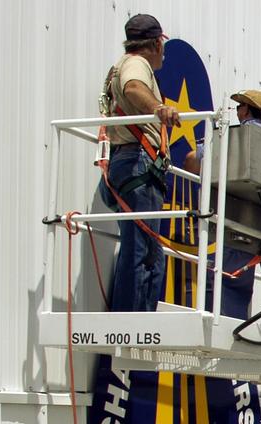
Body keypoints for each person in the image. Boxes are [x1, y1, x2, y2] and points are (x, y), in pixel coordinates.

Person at [98, 13, 180, 312]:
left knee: (147, 253)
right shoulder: (136, 64)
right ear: (157, 43)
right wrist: (159, 108)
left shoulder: (123, 65)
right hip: (138, 164)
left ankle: (136, 327)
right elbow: (133, 88)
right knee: (142, 251)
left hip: (132, 164)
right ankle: (130, 329)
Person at [188, 90, 261, 321]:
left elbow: (192, 161)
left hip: (239, 222)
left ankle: (231, 333)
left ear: (245, 110)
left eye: (239, 107)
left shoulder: (230, 137)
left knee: (230, 287)